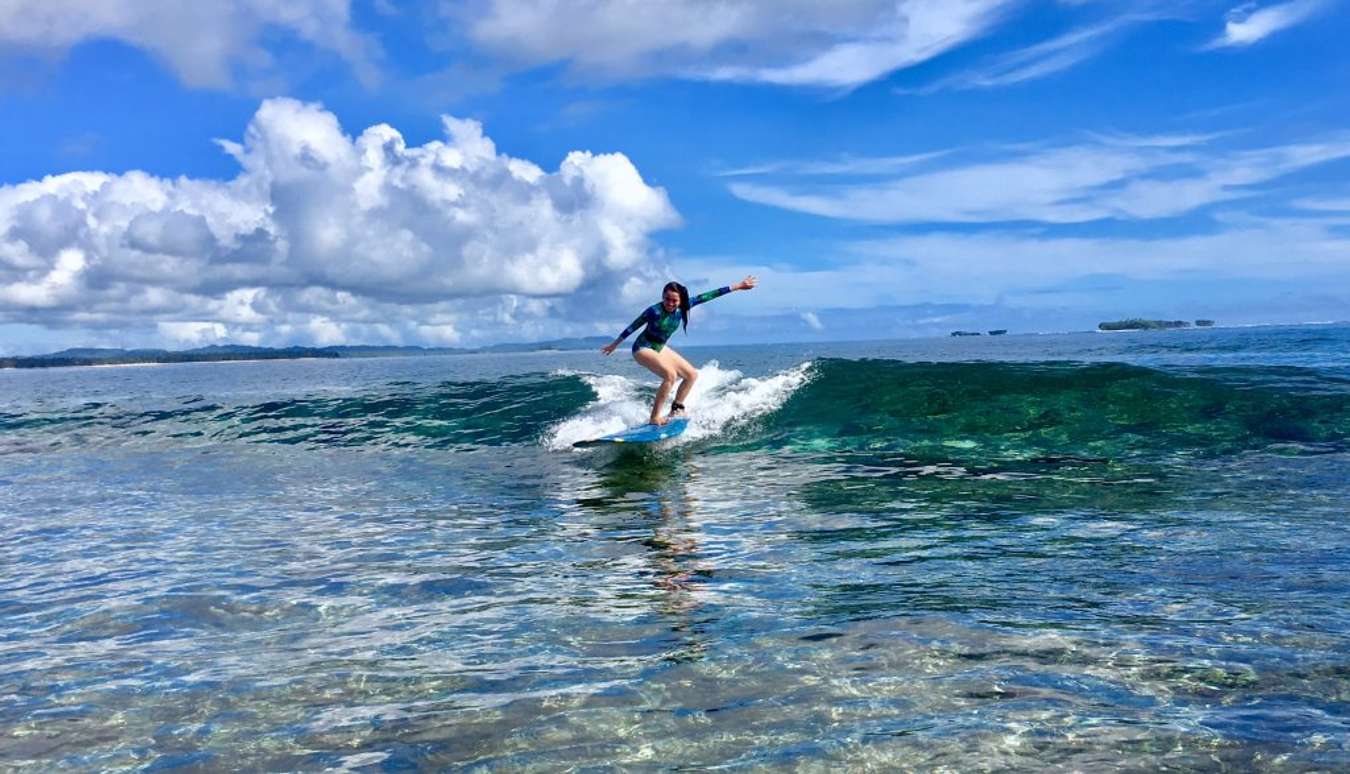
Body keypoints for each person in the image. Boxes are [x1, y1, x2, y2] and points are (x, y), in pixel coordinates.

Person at [601, 276, 757, 425]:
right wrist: (615, 344)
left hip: (659, 348)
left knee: (691, 375)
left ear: (681, 300)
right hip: (643, 348)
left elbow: (709, 295)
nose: (670, 303)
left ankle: (676, 408)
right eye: (667, 299)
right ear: (663, 296)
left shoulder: (685, 306)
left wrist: (738, 286)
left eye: (674, 300)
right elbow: (633, 326)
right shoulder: (653, 311)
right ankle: (654, 417)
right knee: (670, 375)